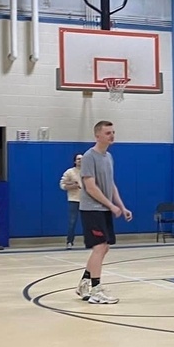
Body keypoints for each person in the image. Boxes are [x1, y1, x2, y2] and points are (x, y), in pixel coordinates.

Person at [75, 121, 132, 305]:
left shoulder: (108, 157)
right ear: (97, 136)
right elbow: (90, 187)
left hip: (104, 209)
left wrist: (121, 206)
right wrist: (110, 205)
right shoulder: (88, 157)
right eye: (108, 132)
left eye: (113, 132)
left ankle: (84, 282)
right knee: (99, 247)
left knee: (104, 247)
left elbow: (111, 184)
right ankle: (96, 290)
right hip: (92, 209)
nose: (112, 135)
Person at [60, 153, 84, 249]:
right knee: (72, 222)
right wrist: (72, 186)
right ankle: (69, 242)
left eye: (82, 159)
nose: (80, 161)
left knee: (87, 222)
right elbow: (62, 185)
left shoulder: (88, 171)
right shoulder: (69, 172)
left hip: (86, 201)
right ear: (75, 161)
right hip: (74, 200)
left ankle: (89, 241)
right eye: (78, 159)